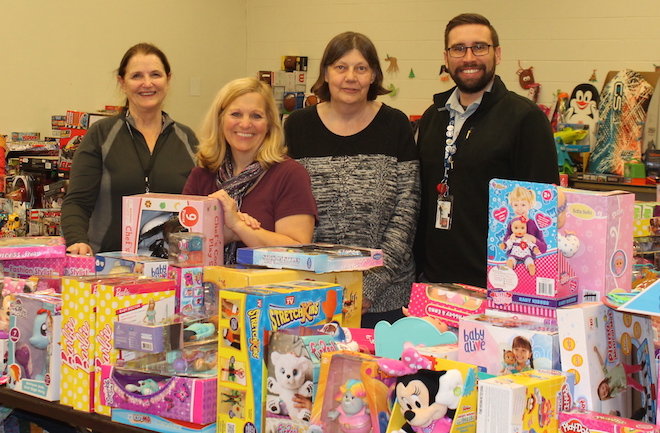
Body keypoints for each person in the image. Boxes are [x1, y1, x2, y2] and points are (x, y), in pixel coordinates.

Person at [284, 31, 420, 328]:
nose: (351, 77)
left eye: (361, 68)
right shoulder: (297, 126)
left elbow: (406, 213)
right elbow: (289, 208)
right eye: (341, 67)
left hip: (387, 298)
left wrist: (368, 289)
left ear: (373, 75)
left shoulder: (395, 124)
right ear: (326, 73)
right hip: (311, 295)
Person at [415, 13, 559, 288]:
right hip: (433, 282)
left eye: (479, 47)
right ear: (446, 58)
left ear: (498, 54)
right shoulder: (433, 116)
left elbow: (541, 214)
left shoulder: (525, 118)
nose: (469, 57)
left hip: (497, 284)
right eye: (459, 49)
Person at [61, 43, 198, 255]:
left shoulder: (187, 139)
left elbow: (203, 205)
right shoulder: (101, 135)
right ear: (122, 83)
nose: (147, 83)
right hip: (109, 266)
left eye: (155, 74)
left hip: (173, 267)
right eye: (136, 76)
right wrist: (77, 240)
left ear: (168, 80)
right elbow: (77, 202)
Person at [182, 77, 317, 264]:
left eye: (256, 116)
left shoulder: (290, 175)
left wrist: (238, 226)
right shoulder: (201, 175)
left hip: (270, 291)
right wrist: (222, 234)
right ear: (220, 119)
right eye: (236, 114)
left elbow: (298, 252)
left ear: (269, 123)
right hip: (205, 288)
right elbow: (179, 246)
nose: (245, 124)